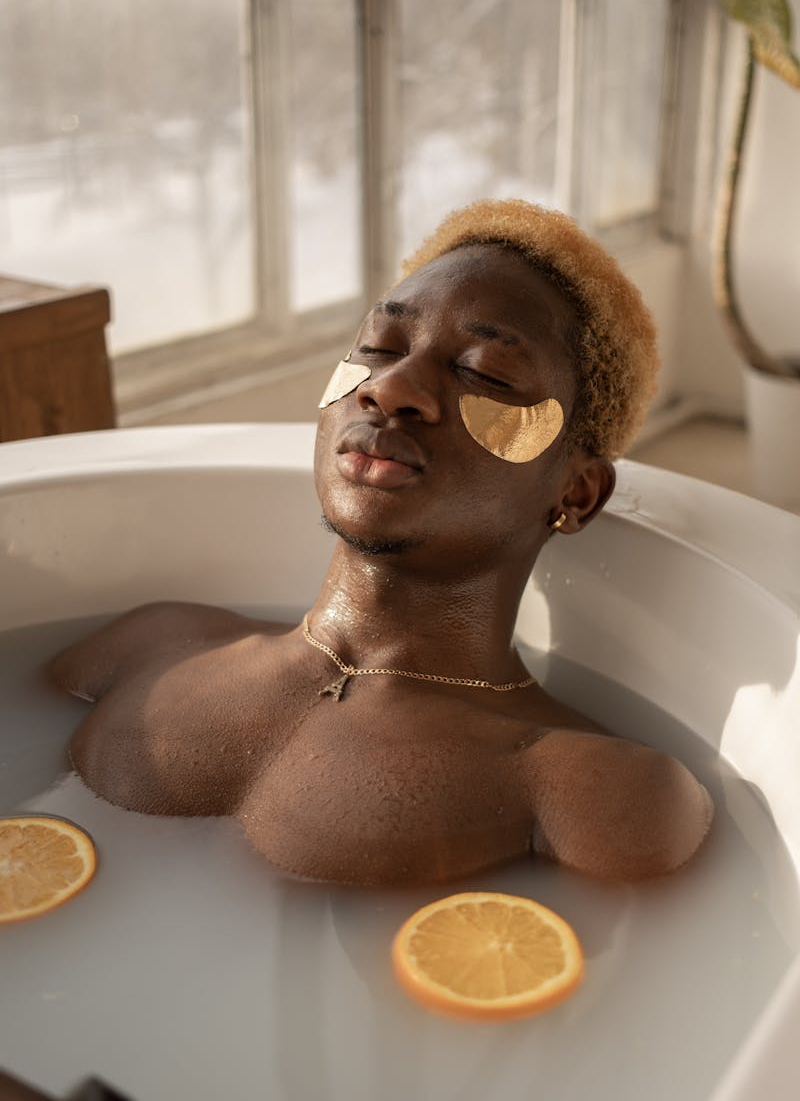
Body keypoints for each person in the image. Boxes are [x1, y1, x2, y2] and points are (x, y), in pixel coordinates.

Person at [49, 199, 713, 886]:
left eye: (486, 372)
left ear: (575, 494)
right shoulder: (142, 648)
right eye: (378, 349)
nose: (392, 389)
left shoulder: (597, 792)